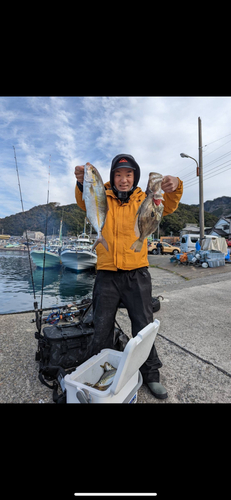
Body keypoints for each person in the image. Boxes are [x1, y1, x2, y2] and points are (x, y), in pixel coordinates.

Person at [74, 154, 183, 399]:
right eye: (119, 175)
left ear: (135, 177)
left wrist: (176, 186)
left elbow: (170, 205)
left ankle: (151, 375)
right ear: (112, 177)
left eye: (129, 175)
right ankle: (98, 372)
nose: (123, 180)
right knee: (101, 327)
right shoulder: (102, 196)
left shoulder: (143, 199)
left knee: (143, 326)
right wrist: (82, 183)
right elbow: (85, 202)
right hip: (107, 273)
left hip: (137, 273)